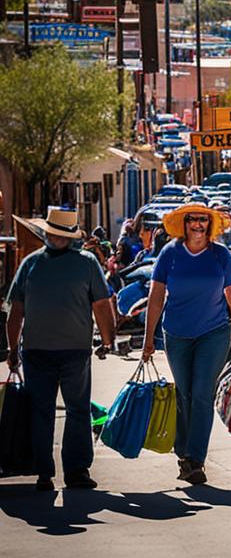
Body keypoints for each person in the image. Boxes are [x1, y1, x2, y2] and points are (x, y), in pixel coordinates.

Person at [5, 208, 116, 491]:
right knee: (64, 410)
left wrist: (107, 339)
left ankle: (59, 471)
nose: (55, 239)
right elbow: (15, 311)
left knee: (58, 411)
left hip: (68, 351)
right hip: (47, 351)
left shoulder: (37, 264)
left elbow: (101, 306)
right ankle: (62, 471)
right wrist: (12, 348)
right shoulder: (77, 263)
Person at [141, 203, 231, 485]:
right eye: (192, 220)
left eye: (203, 220)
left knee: (201, 394)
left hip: (214, 332)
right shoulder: (170, 254)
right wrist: (149, 338)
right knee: (184, 395)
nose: (198, 224)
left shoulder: (220, 255)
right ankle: (183, 452)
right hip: (176, 333)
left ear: (209, 226)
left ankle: (196, 459)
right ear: (184, 225)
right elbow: (156, 296)